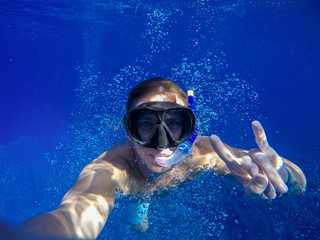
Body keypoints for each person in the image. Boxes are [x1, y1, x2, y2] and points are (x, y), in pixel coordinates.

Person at [9, 77, 306, 239]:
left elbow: (298, 182)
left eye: (175, 123)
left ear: (190, 128)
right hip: (135, 191)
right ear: (129, 130)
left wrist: (282, 175)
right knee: (138, 226)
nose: (161, 145)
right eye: (146, 124)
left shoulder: (205, 154)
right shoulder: (112, 169)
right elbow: (70, 218)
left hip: (149, 186)